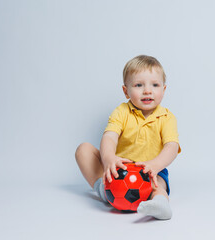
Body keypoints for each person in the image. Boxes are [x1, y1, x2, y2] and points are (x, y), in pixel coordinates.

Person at [75, 55, 181, 220]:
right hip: (120, 169)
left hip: (150, 171)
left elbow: (171, 147)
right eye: (139, 85)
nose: (147, 90)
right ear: (126, 91)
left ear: (164, 89)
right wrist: (109, 158)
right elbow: (110, 137)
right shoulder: (122, 112)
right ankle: (104, 189)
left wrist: (155, 165)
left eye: (155, 85)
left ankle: (160, 203)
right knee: (83, 150)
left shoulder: (167, 117)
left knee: (158, 184)